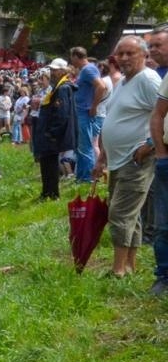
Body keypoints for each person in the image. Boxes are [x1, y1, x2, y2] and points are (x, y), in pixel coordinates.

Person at [95, 37, 161, 279]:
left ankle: (118, 269)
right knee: (129, 213)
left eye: (129, 53)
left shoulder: (148, 80)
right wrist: (101, 156)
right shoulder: (123, 82)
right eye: (119, 54)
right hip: (117, 159)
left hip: (137, 159)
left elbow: (164, 114)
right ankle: (130, 265)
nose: (123, 59)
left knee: (120, 213)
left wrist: (150, 144)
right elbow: (114, 118)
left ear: (143, 55)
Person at [31, 58, 77, 200]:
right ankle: (47, 192)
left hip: (51, 134)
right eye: (51, 70)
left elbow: (61, 114)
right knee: (46, 163)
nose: (52, 72)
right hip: (47, 132)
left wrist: (51, 132)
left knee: (50, 164)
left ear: (63, 71)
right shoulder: (57, 87)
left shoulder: (63, 88)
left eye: (55, 70)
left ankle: (51, 193)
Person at [72, 47, 107, 182]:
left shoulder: (88, 69)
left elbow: (101, 86)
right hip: (81, 111)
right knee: (80, 146)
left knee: (85, 145)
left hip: (84, 112)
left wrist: (94, 106)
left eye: (72, 57)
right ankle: (81, 176)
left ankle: (87, 177)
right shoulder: (86, 70)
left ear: (76, 56)